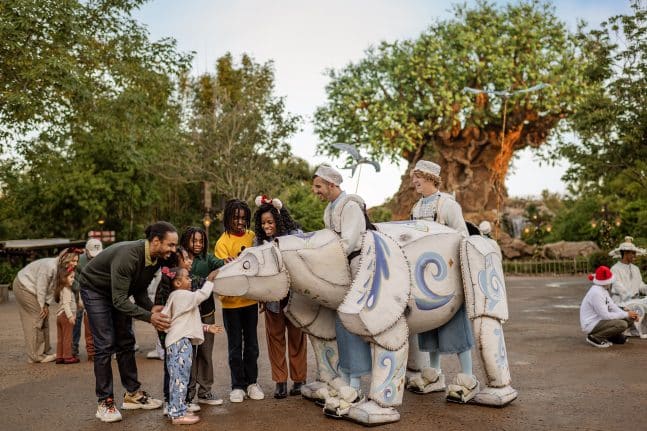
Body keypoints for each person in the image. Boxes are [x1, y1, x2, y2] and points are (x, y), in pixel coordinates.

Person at [79, 221, 177, 423]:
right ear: (156, 241)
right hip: (95, 289)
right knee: (105, 344)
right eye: (171, 245)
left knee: (126, 341)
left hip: (118, 293)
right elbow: (119, 300)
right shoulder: (130, 256)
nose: (173, 250)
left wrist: (151, 307)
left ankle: (132, 394)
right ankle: (104, 401)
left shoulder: (155, 258)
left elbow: (138, 288)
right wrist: (150, 317)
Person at [408, 159, 479, 403]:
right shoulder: (416, 208)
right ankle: (434, 374)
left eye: (418, 177)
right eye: (413, 177)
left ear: (430, 178)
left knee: (455, 327)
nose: (414, 181)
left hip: (447, 276)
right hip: (424, 278)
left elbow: (462, 235)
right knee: (429, 327)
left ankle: (468, 377)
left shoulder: (448, 205)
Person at [312, 165, 372, 399]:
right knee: (341, 322)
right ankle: (345, 378)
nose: (315, 191)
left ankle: (355, 383)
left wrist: (325, 260)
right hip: (339, 269)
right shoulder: (329, 210)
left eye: (318, 186)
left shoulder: (351, 207)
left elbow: (348, 242)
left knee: (352, 321)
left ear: (332, 184)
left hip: (357, 268)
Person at [253, 195, 307, 399]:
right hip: (272, 298)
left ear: (279, 220)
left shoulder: (295, 236)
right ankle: (280, 382)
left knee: (297, 338)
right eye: (263, 223)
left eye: (270, 222)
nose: (266, 226)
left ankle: (299, 380)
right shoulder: (258, 242)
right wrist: (260, 295)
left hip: (294, 298)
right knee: (275, 339)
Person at [215, 199, 264, 403]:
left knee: (252, 345)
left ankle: (252, 382)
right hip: (231, 305)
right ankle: (237, 386)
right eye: (236, 218)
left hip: (250, 302)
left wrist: (261, 294)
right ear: (228, 218)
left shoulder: (253, 237)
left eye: (244, 218)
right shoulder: (222, 243)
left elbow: (260, 268)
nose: (240, 222)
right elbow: (223, 275)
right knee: (235, 346)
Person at [161, 266, 223, 425]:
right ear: (177, 282)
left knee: (179, 378)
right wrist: (209, 280)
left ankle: (177, 408)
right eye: (187, 278)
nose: (190, 280)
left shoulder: (176, 297)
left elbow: (185, 322)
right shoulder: (182, 295)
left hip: (178, 342)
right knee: (180, 379)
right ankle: (178, 414)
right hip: (180, 343)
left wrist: (208, 328)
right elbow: (201, 295)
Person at [180, 227, 226, 407]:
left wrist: (221, 268)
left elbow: (223, 264)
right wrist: (207, 279)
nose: (198, 244)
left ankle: (205, 392)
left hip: (207, 313)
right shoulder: (180, 260)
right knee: (189, 353)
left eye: (201, 241)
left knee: (206, 352)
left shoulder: (207, 259)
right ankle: (188, 394)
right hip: (187, 314)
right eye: (194, 241)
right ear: (186, 241)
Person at [13, 248, 81, 363]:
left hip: (34, 289)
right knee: (37, 317)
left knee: (44, 316)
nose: (75, 264)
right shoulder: (50, 267)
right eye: (73, 260)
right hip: (24, 286)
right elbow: (42, 287)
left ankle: (44, 351)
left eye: (76, 261)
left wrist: (46, 304)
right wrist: (41, 305)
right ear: (64, 258)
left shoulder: (60, 269)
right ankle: (36, 356)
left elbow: (51, 289)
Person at [580, 265, 638, 348]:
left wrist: (629, 313)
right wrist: (626, 314)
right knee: (622, 324)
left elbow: (612, 306)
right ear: (606, 281)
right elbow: (606, 315)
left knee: (630, 319)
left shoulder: (603, 290)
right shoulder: (596, 293)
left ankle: (611, 336)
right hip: (591, 324)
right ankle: (595, 337)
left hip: (600, 321)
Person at [609, 236, 647, 337]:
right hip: (621, 301)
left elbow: (640, 285)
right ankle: (628, 328)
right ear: (625, 253)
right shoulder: (615, 269)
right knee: (638, 304)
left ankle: (637, 329)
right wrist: (632, 298)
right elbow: (618, 287)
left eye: (635, 253)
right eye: (633, 253)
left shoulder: (635, 268)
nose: (635, 255)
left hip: (635, 301)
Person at [72, 238, 103, 360]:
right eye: (92, 254)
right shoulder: (79, 261)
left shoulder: (104, 258)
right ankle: (73, 348)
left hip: (97, 294)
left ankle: (95, 351)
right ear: (86, 251)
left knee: (94, 323)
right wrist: (80, 292)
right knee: (76, 318)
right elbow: (73, 279)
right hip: (79, 292)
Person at [55, 265, 80, 364]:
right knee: (67, 337)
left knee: (60, 338)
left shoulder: (62, 289)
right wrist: (70, 316)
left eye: (74, 277)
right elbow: (66, 304)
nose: (73, 280)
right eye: (71, 277)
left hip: (59, 316)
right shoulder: (67, 290)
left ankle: (59, 356)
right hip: (66, 316)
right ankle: (67, 356)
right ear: (63, 278)